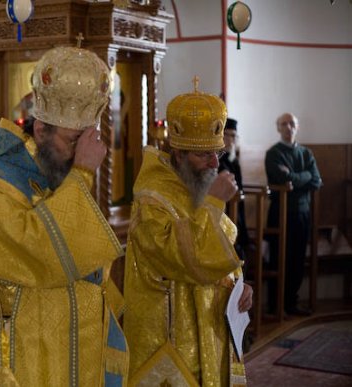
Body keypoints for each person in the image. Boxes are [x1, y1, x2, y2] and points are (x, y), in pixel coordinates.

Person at [0, 46, 129, 386]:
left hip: (68, 353)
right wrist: (82, 172)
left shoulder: (54, 176)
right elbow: (40, 252)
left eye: (86, 141)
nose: (80, 153)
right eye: (73, 141)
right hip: (19, 362)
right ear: (40, 132)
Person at [123, 81, 253, 386]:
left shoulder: (197, 188)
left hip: (211, 328)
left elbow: (221, 251)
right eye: (203, 154)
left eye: (216, 153)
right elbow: (185, 259)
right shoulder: (152, 199)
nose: (213, 163)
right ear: (177, 152)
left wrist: (239, 287)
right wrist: (214, 202)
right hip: (173, 344)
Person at [265, 112, 322, 316]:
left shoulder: (306, 153)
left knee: (297, 260)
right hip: (281, 214)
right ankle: (275, 305)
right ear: (278, 128)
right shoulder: (273, 153)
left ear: (297, 127)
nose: (288, 127)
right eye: (284, 124)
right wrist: (303, 178)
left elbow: (316, 181)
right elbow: (279, 177)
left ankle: (291, 303)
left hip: (303, 214)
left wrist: (294, 178)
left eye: (292, 123)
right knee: (279, 258)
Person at [218, 118, 250, 261]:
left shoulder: (233, 159)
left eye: (234, 135)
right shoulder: (216, 159)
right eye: (227, 134)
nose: (231, 139)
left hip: (237, 210)